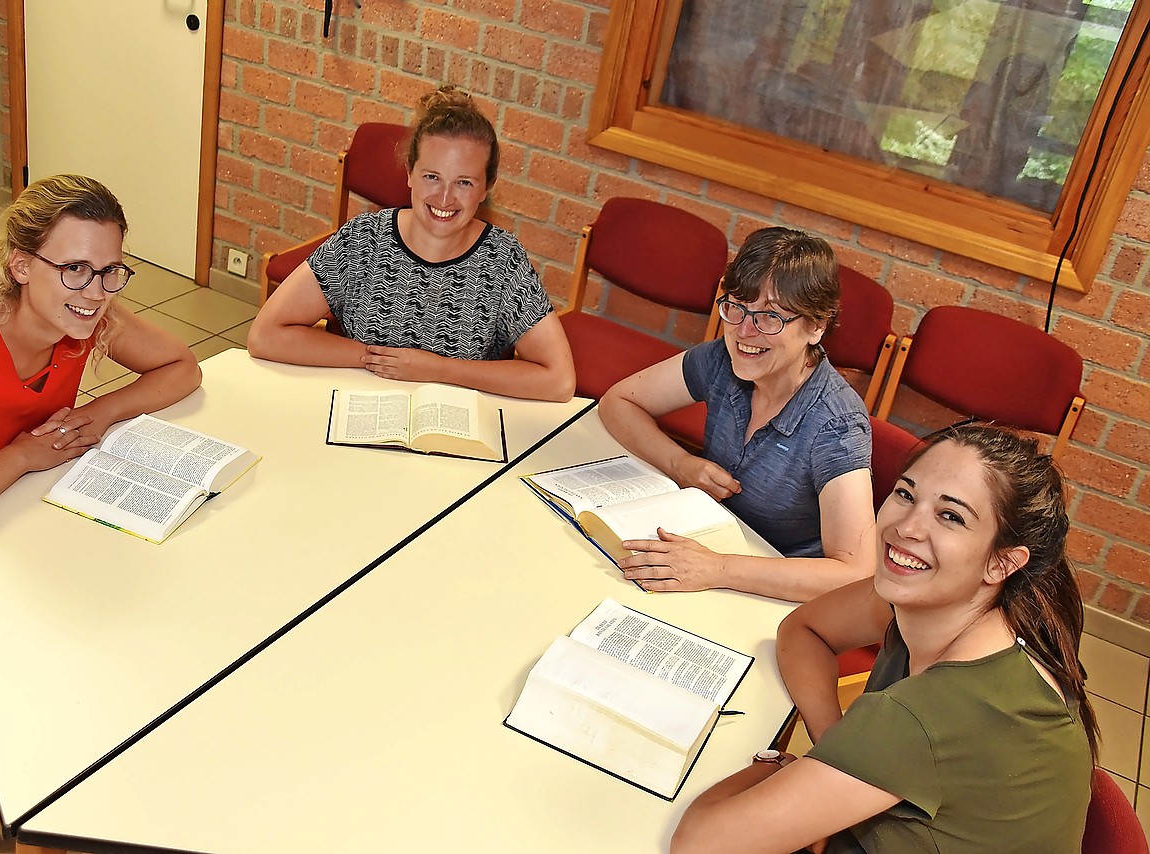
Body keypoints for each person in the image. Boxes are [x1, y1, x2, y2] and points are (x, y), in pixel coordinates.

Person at [671, 424, 1097, 854]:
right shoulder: (965, 606)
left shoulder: (931, 713)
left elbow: (699, 845)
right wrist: (836, 746)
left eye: (951, 516)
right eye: (906, 494)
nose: (907, 527)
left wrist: (775, 772)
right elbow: (803, 629)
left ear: (1002, 563)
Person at [0, 174, 202, 741]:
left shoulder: (85, 316)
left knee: (126, 602)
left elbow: (182, 367)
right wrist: (23, 456)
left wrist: (98, 414)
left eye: (110, 271)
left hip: (30, 498)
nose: (96, 290)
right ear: (22, 265)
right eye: (75, 268)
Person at [248, 85, 575, 402]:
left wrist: (440, 370)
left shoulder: (503, 261)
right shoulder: (364, 240)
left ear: (487, 187)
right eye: (431, 177)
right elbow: (265, 335)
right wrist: (380, 360)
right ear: (409, 173)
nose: (445, 198)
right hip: (363, 412)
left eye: (464, 182)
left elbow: (559, 381)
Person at [598, 227, 874, 601]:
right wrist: (680, 463)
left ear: (817, 326)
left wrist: (717, 568)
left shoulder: (836, 425)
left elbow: (855, 573)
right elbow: (619, 402)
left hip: (772, 588)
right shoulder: (722, 360)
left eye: (771, 317)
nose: (745, 331)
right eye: (736, 306)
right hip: (707, 545)